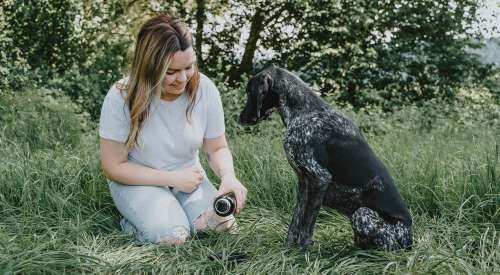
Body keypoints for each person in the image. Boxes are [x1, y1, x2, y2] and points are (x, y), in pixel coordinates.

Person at [99, 14, 247, 245]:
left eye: (189, 67)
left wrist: (229, 177)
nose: (183, 78)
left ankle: (181, 217)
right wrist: (171, 179)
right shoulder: (120, 96)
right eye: (171, 72)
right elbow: (113, 167)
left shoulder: (205, 89)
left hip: (188, 177)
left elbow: (217, 147)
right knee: (175, 238)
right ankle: (137, 225)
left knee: (219, 227)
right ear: (149, 67)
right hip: (137, 180)